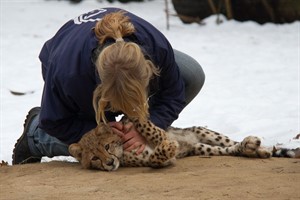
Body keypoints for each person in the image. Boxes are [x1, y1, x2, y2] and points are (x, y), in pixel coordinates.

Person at [12, 8, 205, 164]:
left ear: (148, 69)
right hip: (65, 61)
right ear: (100, 90)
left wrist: (149, 127)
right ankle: (36, 137)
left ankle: (132, 129)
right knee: (110, 146)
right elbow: (54, 121)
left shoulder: (157, 47)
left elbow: (174, 93)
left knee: (192, 75)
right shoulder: (70, 76)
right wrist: (97, 132)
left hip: (116, 56)